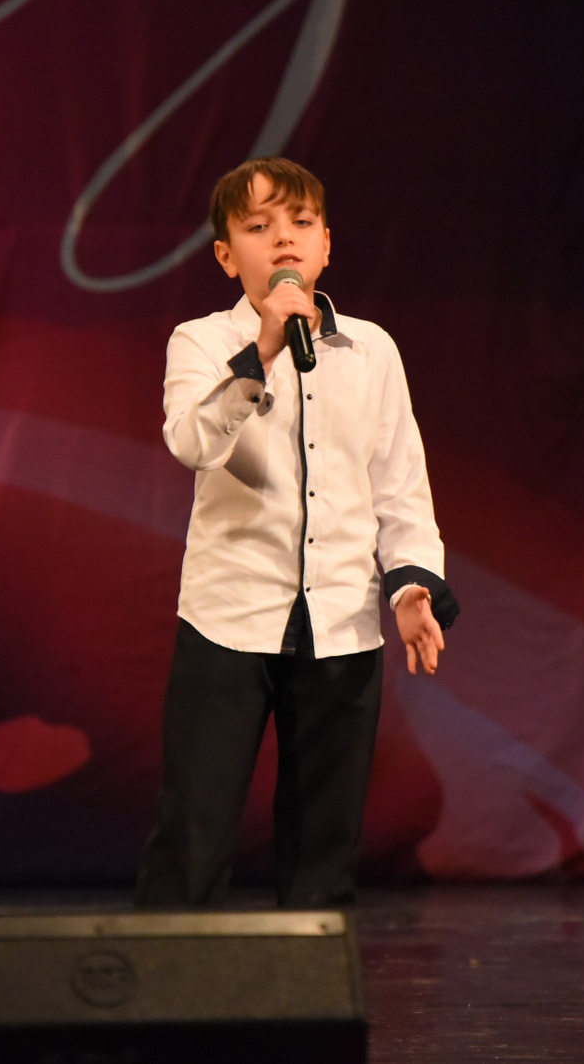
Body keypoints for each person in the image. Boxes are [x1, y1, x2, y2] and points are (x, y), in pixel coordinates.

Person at [135, 155, 459, 909]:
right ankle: (164, 982)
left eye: (301, 222)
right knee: (194, 833)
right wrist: (264, 351)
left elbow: (399, 484)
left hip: (342, 623)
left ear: (326, 246)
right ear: (226, 256)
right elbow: (192, 441)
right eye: (259, 226)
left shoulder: (371, 351)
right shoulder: (201, 342)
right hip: (228, 617)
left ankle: (310, 985)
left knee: (324, 847)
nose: (284, 238)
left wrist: (412, 585)